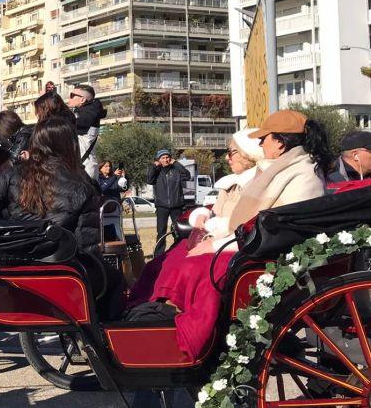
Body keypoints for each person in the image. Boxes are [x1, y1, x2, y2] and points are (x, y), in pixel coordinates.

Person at [126, 111, 328, 359]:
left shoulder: (301, 174)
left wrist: (217, 245)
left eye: (265, 138)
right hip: (251, 243)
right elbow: (249, 220)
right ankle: (153, 313)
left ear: (280, 142)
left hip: (265, 253)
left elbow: (276, 229)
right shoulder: (285, 169)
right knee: (177, 256)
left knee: (197, 267)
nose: (261, 143)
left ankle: (188, 328)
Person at [0, 116, 100, 254]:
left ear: (35, 143)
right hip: (59, 266)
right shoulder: (85, 185)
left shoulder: (11, 175)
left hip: (16, 258)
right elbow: (86, 246)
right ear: (71, 145)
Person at [184, 129, 264, 249]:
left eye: (231, 152)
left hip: (231, 249)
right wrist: (203, 215)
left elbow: (248, 226)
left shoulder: (260, 184)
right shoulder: (229, 184)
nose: (227, 157)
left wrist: (214, 233)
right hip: (214, 242)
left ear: (249, 154)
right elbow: (216, 212)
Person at [147, 149, 190, 256]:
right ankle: (159, 256)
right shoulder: (157, 171)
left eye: (167, 157)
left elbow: (187, 175)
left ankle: (178, 253)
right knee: (161, 232)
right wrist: (154, 167)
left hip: (177, 206)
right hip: (162, 206)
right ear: (158, 160)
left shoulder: (176, 170)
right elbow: (149, 180)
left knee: (178, 231)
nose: (166, 160)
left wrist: (176, 163)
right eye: (163, 158)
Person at [67, 84, 106, 179]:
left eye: (72, 95)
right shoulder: (86, 111)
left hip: (85, 169)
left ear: (83, 99)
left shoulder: (88, 114)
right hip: (83, 166)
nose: (69, 99)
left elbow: (67, 127)